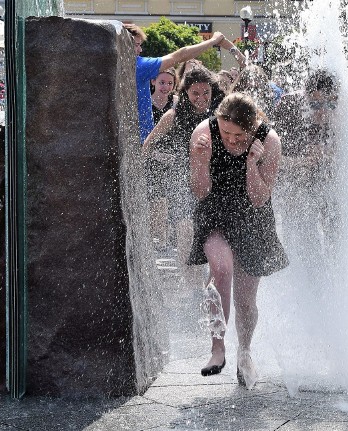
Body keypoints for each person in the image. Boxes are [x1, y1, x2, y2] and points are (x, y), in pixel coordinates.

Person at [187, 93, 288, 388]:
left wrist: (251, 164)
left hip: (252, 219)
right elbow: (200, 192)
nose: (230, 140)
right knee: (221, 268)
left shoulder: (269, 142)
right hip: (214, 213)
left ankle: (245, 351)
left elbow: (259, 198)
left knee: (245, 301)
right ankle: (218, 348)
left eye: (238, 135)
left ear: (252, 127)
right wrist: (202, 161)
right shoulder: (203, 134)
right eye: (225, 132)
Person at [143, 67, 224, 275]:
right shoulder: (172, 116)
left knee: (207, 236)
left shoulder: (215, 119)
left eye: (206, 92)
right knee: (186, 234)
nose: (201, 98)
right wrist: (162, 158)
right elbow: (147, 146)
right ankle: (190, 289)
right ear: (185, 92)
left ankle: (207, 283)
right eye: (195, 93)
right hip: (180, 184)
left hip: (207, 184)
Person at [272, 69, 340, 285]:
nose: (323, 112)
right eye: (316, 105)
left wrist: (335, 154)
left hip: (328, 188)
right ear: (306, 96)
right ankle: (304, 285)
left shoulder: (346, 112)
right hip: (295, 187)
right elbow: (269, 158)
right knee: (302, 239)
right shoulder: (290, 108)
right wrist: (302, 162)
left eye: (330, 105)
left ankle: (335, 283)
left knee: (335, 236)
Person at [123, 23, 224, 142]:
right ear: (124, 45)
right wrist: (213, 41)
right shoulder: (138, 66)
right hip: (139, 139)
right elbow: (179, 56)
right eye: (137, 45)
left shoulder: (116, 67)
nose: (140, 49)